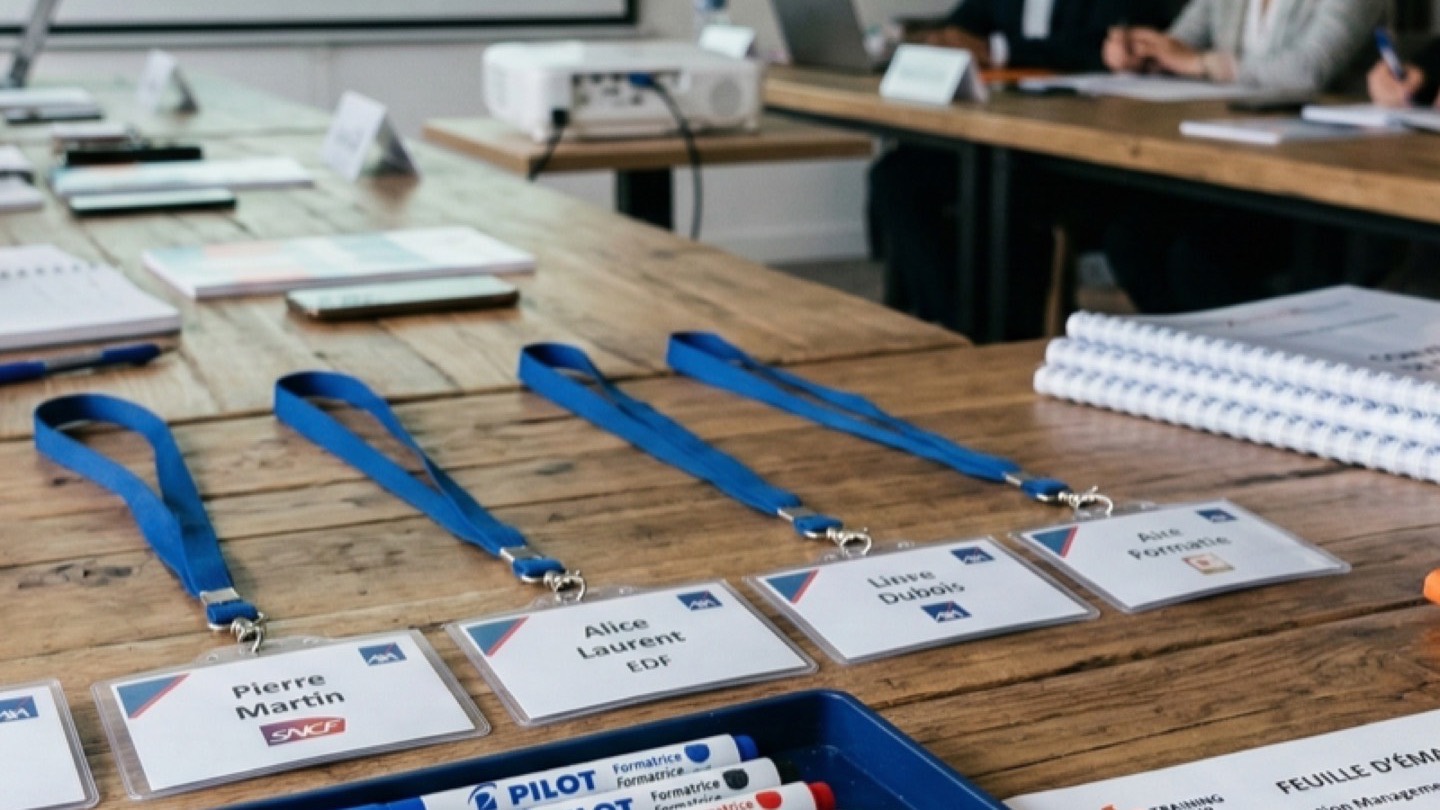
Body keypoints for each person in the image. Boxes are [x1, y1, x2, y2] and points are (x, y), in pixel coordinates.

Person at [868, 0, 1174, 333]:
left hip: (1084, 151)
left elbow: (1108, 44)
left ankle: (997, 335)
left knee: (1005, 190)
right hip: (1010, 133)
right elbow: (967, 21)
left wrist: (995, 49)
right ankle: (958, 326)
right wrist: (942, 37)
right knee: (897, 175)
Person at [1100, 0, 1392, 314]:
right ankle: (1181, 353)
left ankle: (1257, 353)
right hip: (1230, 161)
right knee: (1131, 241)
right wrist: (1141, 53)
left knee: (1198, 262)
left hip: (1319, 179)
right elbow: (1180, 43)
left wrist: (1202, 64)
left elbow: (1308, 70)